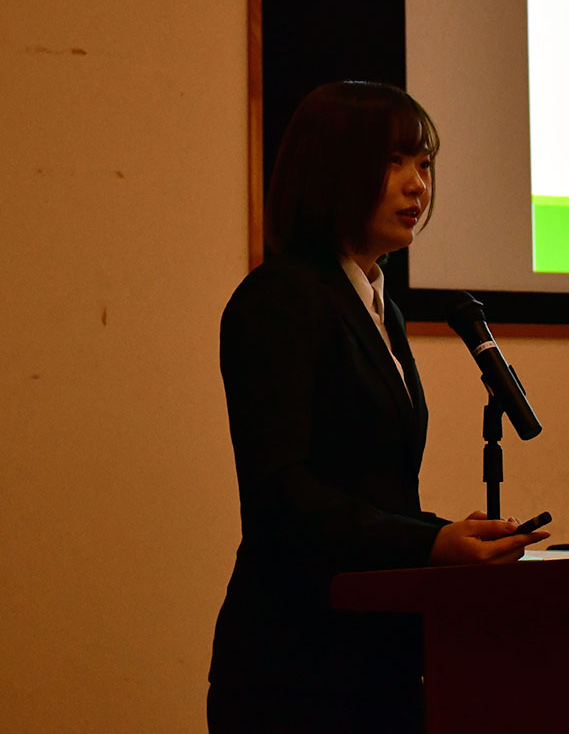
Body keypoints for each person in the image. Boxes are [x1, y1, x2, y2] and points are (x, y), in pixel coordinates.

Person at [207, 81, 549, 733]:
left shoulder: (377, 305)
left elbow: (371, 489)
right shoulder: (279, 299)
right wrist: (430, 543)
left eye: (424, 163)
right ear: (330, 169)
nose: (418, 185)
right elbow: (283, 494)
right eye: (394, 162)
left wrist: (452, 536)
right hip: (296, 667)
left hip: (375, 657)